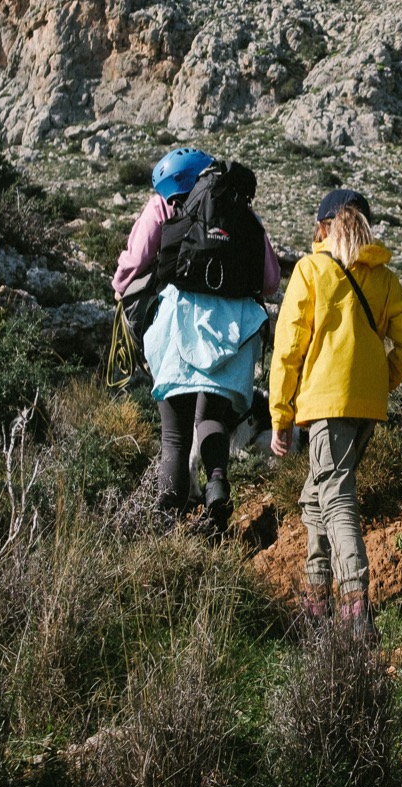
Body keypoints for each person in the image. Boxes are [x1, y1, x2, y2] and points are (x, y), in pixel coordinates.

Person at [269, 187, 402, 633]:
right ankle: (316, 605)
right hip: (366, 406)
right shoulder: (383, 278)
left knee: (335, 496)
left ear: (323, 227)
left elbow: (287, 351)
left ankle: (356, 608)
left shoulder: (311, 270)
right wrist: (383, 380)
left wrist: (279, 415)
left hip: (326, 402)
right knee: (316, 495)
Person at [112, 146, 280, 530]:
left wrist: (119, 287)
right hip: (234, 330)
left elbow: (136, 258)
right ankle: (217, 486)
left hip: (177, 323)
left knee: (174, 432)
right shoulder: (239, 208)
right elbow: (270, 281)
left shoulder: (163, 206)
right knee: (211, 417)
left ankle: (167, 514)